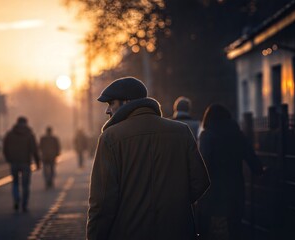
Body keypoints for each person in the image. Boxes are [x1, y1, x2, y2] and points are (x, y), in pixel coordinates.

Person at [87, 77, 210, 239]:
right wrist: (175, 204)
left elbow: (102, 202)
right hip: (178, 231)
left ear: (126, 102)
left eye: (111, 103)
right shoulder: (181, 132)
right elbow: (200, 182)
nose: (107, 110)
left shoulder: (110, 138)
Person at [197, 104, 263, 240]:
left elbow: (202, 164)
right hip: (235, 190)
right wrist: (260, 170)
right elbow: (252, 159)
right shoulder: (237, 135)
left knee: (212, 231)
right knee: (235, 229)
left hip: (213, 193)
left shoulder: (206, 135)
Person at [3, 116, 40, 212]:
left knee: (15, 183)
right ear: (26, 123)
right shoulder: (29, 135)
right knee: (25, 185)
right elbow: (34, 150)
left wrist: (9, 159)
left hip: (14, 162)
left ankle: (16, 199)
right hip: (26, 163)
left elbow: (5, 148)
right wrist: (37, 162)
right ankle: (24, 204)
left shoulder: (10, 134)